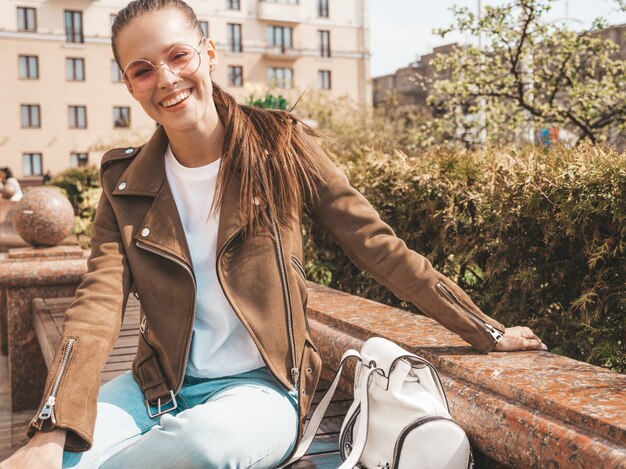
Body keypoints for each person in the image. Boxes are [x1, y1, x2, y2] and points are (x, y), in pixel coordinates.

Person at [0, 1, 547, 467]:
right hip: (154, 388)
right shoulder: (125, 181)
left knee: (200, 450)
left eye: (178, 56)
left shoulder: (281, 148)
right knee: (50, 456)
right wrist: (52, 425)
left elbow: (377, 247)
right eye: (142, 69)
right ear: (129, 85)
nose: (165, 79)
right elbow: (96, 304)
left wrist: (483, 329)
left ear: (208, 54)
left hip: (264, 392)